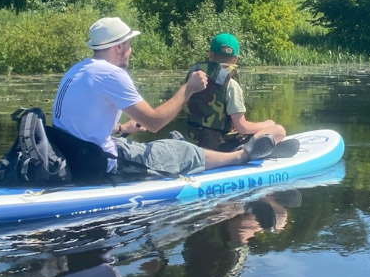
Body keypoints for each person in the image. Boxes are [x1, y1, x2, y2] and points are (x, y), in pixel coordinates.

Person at [51, 17, 277, 180]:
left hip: (75, 154)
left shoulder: (78, 69)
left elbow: (79, 124)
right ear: (119, 47)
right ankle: (241, 157)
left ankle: (176, 147)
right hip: (99, 163)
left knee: (157, 146)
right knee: (183, 152)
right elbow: (154, 122)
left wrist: (121, 127)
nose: (130, 51)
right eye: (129, 46)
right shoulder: (112, 74)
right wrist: (188, 88)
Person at [184, 32, 288, 152]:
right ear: (235, 59)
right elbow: (242, 127)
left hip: (193, 144)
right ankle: (248, 151)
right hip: (219, 148)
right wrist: (267, 124)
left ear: (210, 54)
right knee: (279, 130)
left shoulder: (194, 78)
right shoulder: (231, 85)